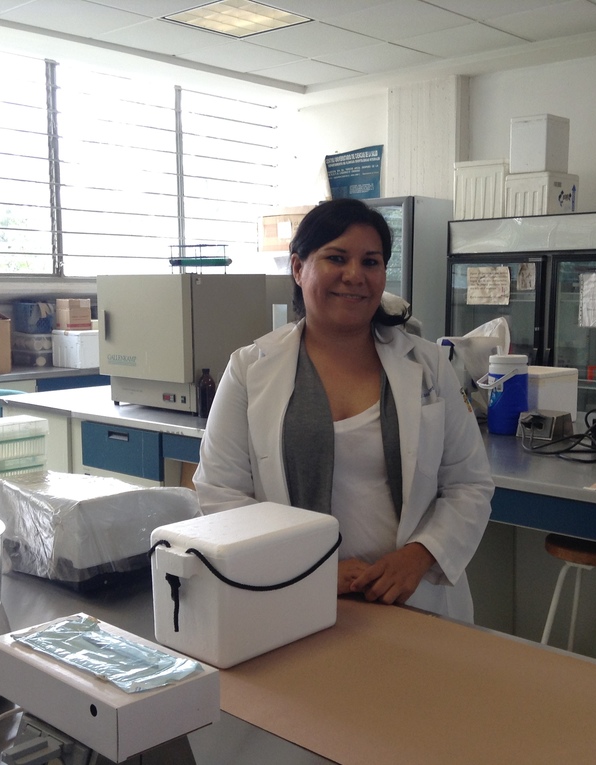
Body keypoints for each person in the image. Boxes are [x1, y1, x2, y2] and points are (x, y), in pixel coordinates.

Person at [193, 198, 495, 623]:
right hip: (294, 595)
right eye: (336, 258)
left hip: (413, 597)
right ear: (298, 268)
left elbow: (469, 483)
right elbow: (219, 491)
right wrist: (309, 567)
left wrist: (420, 555)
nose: (355, 276)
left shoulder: (428, 365)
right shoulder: (249, 369)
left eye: (370, 262)